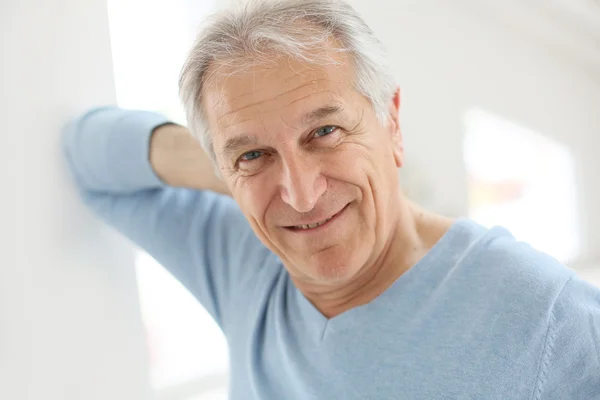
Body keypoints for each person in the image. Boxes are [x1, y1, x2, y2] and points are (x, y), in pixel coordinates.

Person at [63, 0, 600, 398]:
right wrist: (227, 164)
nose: (300, 195)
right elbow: (87, 151)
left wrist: (247, 156)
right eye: (253, 155)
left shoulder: (542, 315)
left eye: (323, 132)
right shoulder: (245, 263)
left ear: (391, 121)